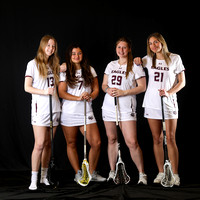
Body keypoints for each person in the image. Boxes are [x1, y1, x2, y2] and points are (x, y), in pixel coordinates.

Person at [135, 32, 186, 186]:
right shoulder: (148, 59)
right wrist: (136, 60)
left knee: (170, 138)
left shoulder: (175, 58)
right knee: (157, 138)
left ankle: (175, 174)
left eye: (156, 42)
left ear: (162, 42)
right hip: (151, 102)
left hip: (169, 103)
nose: (153, 46)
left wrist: (169, 92)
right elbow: (132, 65)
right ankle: (161, 172)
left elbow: (182, 82)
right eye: (150, 43)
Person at [102, 37, 147, 185]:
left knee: (132, 142)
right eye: (119, 47)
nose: (121, 50)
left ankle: (142, 174)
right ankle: (112, 172)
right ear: (116, 49)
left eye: (124, 48)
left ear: (129, 49)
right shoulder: (111, 64)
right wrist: (108, 90)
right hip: (109, 107)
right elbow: (103, 85)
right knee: (112, 139)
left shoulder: (135, 65)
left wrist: (123, 92)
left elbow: (142, 87)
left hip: (127, 108)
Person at [58, 44, 106, 183]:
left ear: (82, 55)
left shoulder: (89, 70)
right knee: (71, 143)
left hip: (86, 111)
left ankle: (91, 173)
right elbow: (61, 92)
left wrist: (90, 96)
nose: (76, 56)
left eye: (79, 53)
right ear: (69, 55)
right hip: (69, 112)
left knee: (96, 143)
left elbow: (96, 90)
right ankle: (78, 173)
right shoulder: (65, 70)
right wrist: (77, 98)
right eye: (73, 54)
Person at [24, 35, 61, 190]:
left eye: (53, 46)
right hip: (40, 110)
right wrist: (44, 91)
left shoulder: (55, 65)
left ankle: (44, 177)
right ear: (42, 46)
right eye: (48, 45)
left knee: (48, 145)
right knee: (39, 144)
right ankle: (33, 179)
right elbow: (27, 87)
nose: (51, 49)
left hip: (55, 108)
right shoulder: (32, 64)